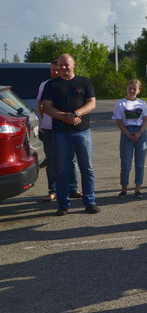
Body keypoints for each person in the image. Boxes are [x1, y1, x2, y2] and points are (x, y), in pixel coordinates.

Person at [41, 53, 99, 215]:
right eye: (60, 65)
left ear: (74, 65)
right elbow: (46, 107)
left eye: (66, 64)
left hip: (82, 132)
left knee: (87, 168)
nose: (62, 68)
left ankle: (90, 202)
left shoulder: (84, 82)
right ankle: (63, 204)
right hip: (60, 133)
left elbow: (91, 103)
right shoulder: (51, 85)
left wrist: (75, 114)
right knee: (61, 169)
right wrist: (64, 117)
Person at [37, 59, 79, 203]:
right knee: (52, 160)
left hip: (68, 127)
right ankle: (53, 190)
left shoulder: (68, 83)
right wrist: (45, 121)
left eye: (57, 69)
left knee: (71, 159)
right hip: (50, 128)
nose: (55, 72)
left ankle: (72, 188)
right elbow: (41, 105)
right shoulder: (45, 85)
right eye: (53, 69)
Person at [111, 79, 147, 199]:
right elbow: (118, 121)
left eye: (135, 88)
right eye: (130, 88)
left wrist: (139, 133)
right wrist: (128, 134)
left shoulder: (142, 103)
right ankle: (124, 189)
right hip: (126, 132)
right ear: (126, 89)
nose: (132, 90)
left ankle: (138, 189)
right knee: (126, 163)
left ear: (138, 91)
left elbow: (145, 119)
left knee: (139, 163)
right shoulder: (120, 103)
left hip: (140, 133)